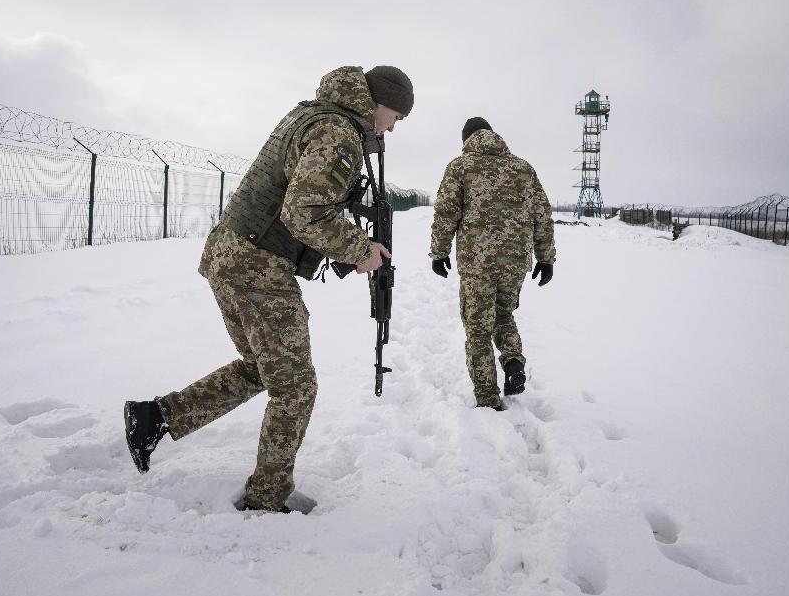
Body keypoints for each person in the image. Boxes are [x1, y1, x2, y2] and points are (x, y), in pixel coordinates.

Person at [123, 65, 413, 513]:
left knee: (265, 369)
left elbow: (296, 205)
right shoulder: (338, 134)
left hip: (234, 256)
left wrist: (346, 251)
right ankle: (267, 499)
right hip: (257, 266)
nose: (393, 126)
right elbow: (303, 212)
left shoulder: (315, 115)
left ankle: (155, 418)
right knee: (295, 386)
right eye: (396, 115)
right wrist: (358, 249)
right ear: (381, 102)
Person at [429, 117, 555, 411]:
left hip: (477, 264)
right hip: (514, 262)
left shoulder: (460, 166)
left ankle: (488, 399)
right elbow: (542, 215)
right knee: (504, 314)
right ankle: (512, 361)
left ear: (466, 140)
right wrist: (545, 258)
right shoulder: (523, 169)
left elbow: (446, 213)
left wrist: (439, 252)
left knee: (477, 329)